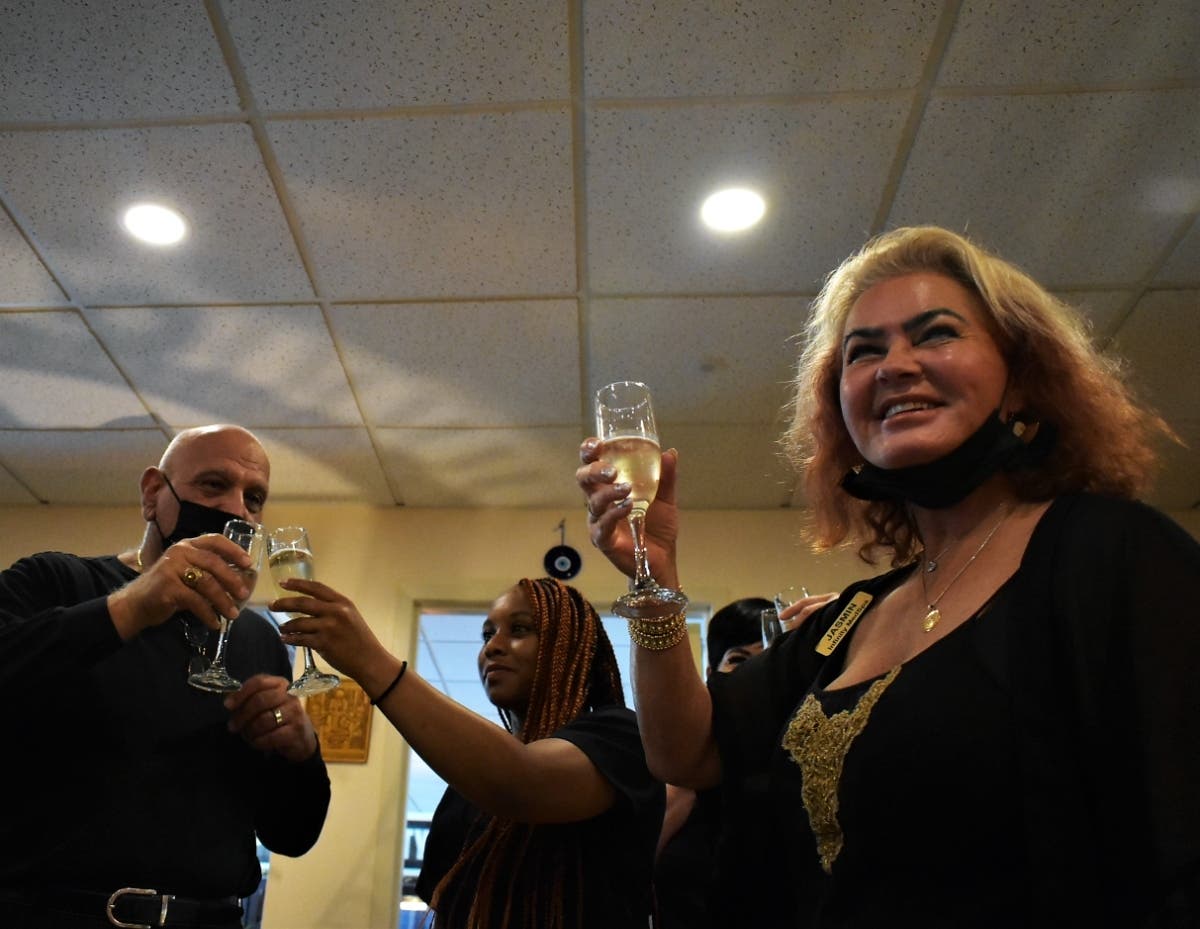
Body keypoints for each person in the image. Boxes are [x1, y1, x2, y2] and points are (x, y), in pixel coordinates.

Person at [577, 226, 1200, 928]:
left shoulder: (1112, 555)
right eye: (862, 352)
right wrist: (651, 576)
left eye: (934, 335)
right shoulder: (850, 617)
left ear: (1022, 381)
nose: (893, 365)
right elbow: (686, 750)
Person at [0, 424, 330, 929]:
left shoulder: (258, 641)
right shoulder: (57, 582)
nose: (237, 510)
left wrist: (301, 753)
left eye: (254, 498)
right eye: (213, 485)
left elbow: (291, 835)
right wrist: (131, 604)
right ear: (154, 494)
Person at [272, 575, 664, 929]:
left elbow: (521, 782)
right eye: (487, 634)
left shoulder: (621, 737)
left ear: (572, 647)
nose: (492, 647)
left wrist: (371, 663)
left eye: (520, 629)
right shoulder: (466, 784)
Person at [653, 597, 768, 929]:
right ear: (710, 672)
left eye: (767, 661)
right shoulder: (681, 772)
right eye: (738, 660)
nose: (752, 675)